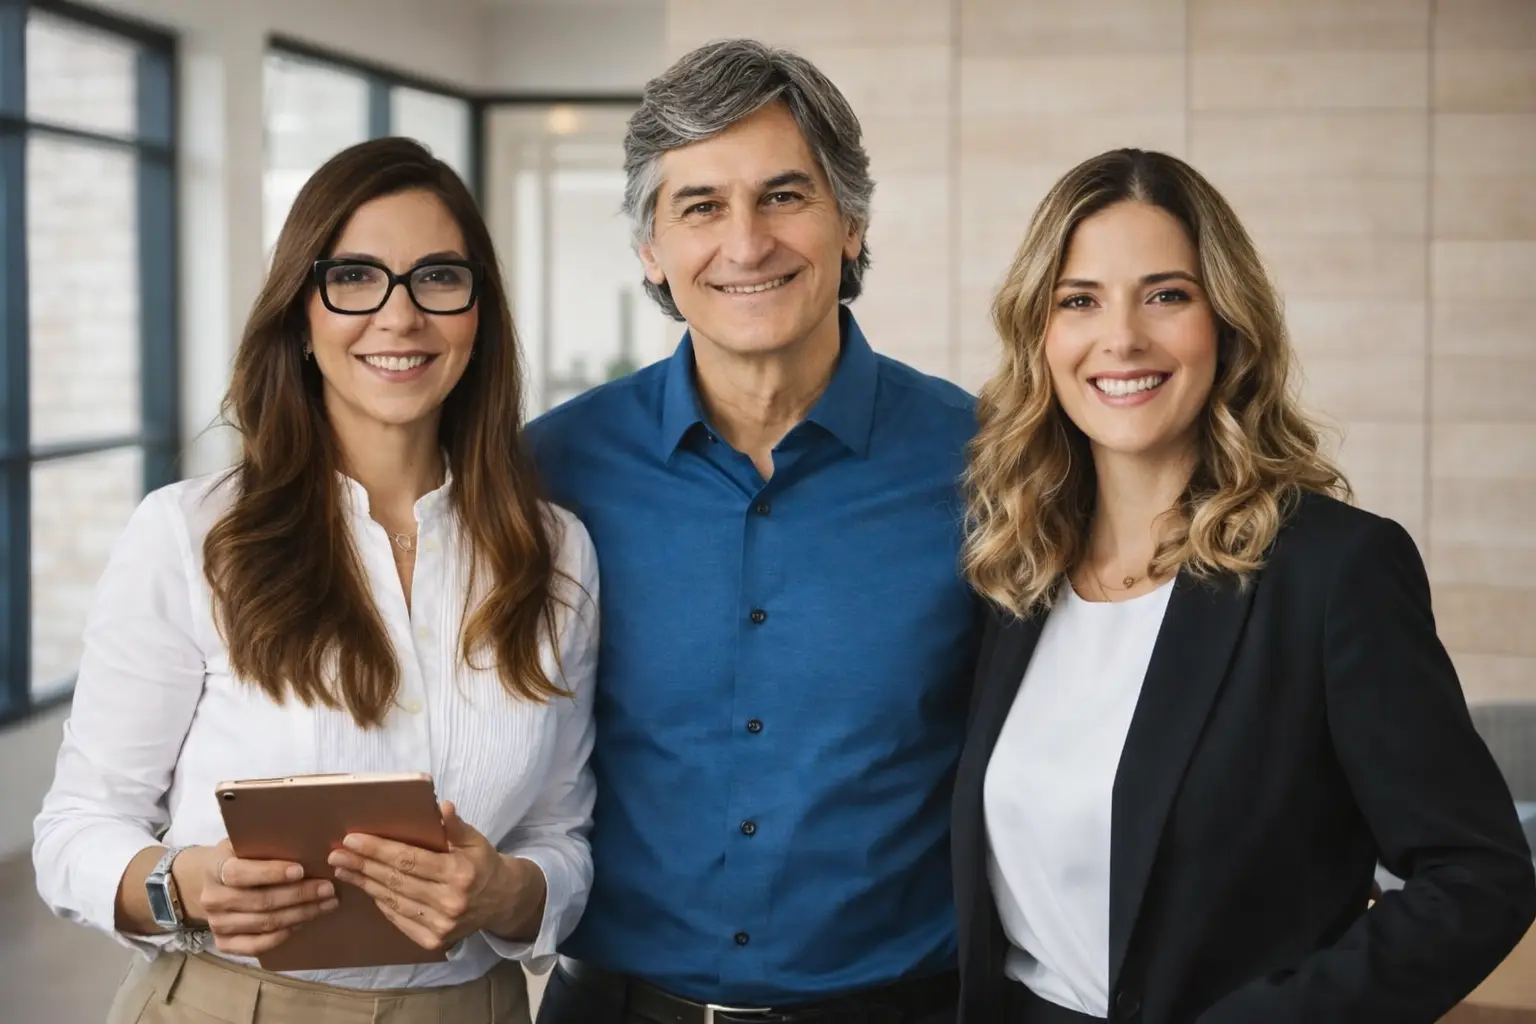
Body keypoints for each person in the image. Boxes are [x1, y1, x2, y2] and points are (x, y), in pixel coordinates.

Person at [952, 147, 1536, 1024]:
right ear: (1040, 335)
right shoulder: (1012, 574)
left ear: (1227, 323)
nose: (1123, 338)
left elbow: (1478, 874)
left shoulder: (1334, 572)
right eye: (1080, 300)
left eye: (1167, 295)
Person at [33, 137, 599, 1024]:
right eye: (355, 278)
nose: (399, 316)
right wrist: (186, 886)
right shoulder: (191, 536)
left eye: (438, 278)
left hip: (473, 1008)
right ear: (302, 313)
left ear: (478, 313)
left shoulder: (555, 551)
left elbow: (561, 836)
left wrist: (506, 893)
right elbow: (74, 829)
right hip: (228, 1003)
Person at [527, 39, 977, 1024]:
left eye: (784, 195)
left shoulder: (989, 460)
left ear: (851, 221)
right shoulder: (549, 471)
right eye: (700, 207)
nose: (746, 243)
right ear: (651, 249)